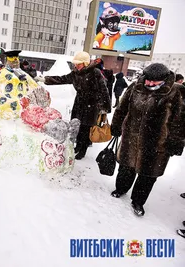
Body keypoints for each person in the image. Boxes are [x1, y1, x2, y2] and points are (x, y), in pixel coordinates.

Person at [110, 63, 184, 216]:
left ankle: (138, 201)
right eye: (147, 80)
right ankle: (121, 189)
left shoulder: (176, 92)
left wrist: (176, 141)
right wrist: (116, 125)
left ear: (164, 80)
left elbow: (180, 121)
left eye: (154, 82)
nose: (149, 84)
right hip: (131, 137)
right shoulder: (135, 87)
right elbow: (121, 108)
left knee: (147, 175)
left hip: (157, 144)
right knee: (125, 167)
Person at [35, 51, 111, 160]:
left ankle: (83, 149)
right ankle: (77, 146)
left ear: (85, 63)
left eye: (78, 64)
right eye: (75, 63)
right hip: (79, 103)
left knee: (86, 128)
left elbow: (104, 90)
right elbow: (62, 79)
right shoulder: (76, 73)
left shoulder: (95, 73)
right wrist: (45, 79)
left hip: (92, 105)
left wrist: (105, 107)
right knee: (77, 126)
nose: (76, 66)